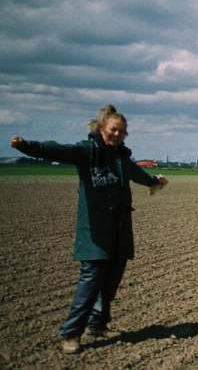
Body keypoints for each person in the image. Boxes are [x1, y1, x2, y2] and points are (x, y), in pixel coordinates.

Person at [10, 105, 166, 355]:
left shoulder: (122, 157)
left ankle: (98, 325)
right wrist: (26, 145)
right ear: (103, 128)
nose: (118, 135)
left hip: (120, 230)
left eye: (123, 132)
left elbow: (139, 175)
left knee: (111, 283)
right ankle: (71, 334)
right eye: (114, 130)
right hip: (95, 231)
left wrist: (155, 182)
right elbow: (57, 150)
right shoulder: (88, 151)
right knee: (90, 283)